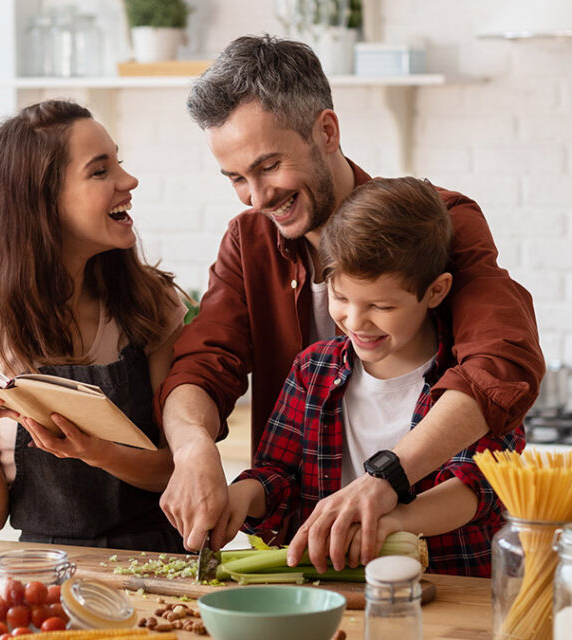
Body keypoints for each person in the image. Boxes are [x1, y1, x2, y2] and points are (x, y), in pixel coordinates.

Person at [154, 35, 544, 569]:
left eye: (268, 166)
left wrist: (386, 481)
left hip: (444, 566)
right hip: (312, 569)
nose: (257, 197)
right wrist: (194, 448)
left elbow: (501, 361)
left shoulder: (438, 222)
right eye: (237, 178)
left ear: (327, 131)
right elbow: (202, 367)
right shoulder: (249, 242)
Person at [0, 99, 186, 552]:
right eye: (100, 171)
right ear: (41, 201)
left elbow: (177, 471)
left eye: (118, 162)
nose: (129, 181)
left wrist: (96, 452)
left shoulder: (150, 305)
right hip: (43, 571)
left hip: (156, 561)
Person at [226, 177, 523, 577]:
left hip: (452, 590)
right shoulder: (312, 370)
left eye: (381, 305)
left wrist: (393, 522)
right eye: (341, 296)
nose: (355, 320)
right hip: (340, 594)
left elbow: (479, 486)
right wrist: (240, 497)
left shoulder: (470, 381)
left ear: (435, 292)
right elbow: (279, 477)